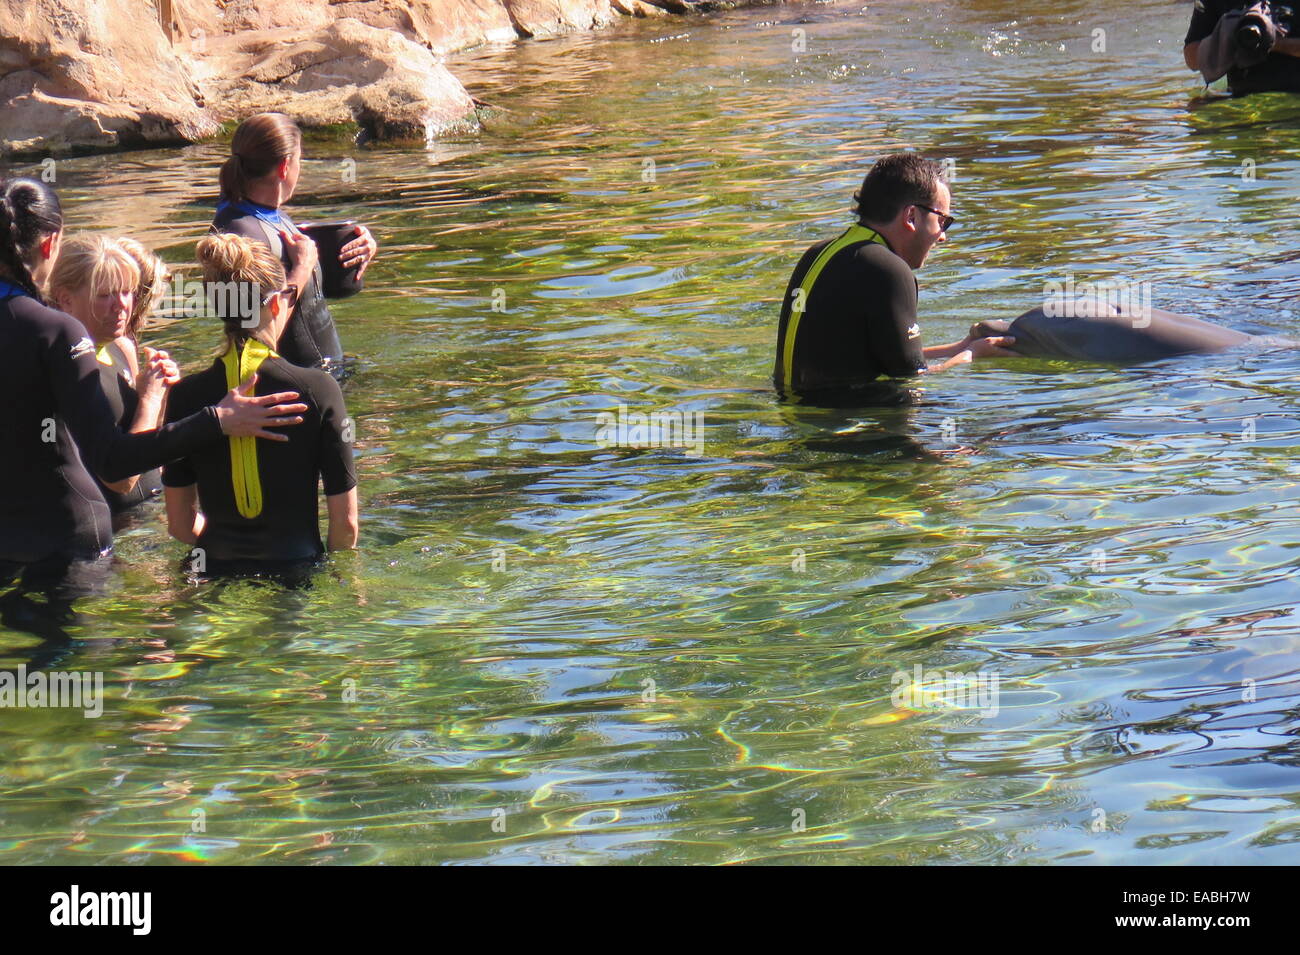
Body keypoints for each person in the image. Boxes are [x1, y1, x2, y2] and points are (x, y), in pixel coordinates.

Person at [0, 177, 308, 639]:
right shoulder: (57, 331)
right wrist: (217, 420)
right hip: (67, 540)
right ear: (51, 244)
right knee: (91, 678)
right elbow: (113, 460)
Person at [162, 232, 359, 581]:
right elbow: (346, 527)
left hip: (210, 571)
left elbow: (179, 526)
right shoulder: (318, 389)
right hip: (295, 572)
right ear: (274, 304)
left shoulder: (184, 395)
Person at [773, 154, 1014, 407]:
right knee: (989, 433)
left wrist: (959, 347)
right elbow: (913, 382)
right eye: (942, 221)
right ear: (911, 216)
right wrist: (972, 356)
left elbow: (885, 362)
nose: (942, 236)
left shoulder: (819, 253)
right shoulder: (889, 270)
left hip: (798, 413)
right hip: (850, 432)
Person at [212, 112, 377, 378]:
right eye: (300, 160)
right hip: (293, 391)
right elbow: (254, 337)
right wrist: (302, 268)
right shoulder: (240, 235)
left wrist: (356, 250)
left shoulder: (268, 215)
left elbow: (308, 295)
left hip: (322, 377)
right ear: (284, 166)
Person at [47, 235, 174, 516]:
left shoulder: (122, 346)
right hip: (117, 528)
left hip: (156, 508)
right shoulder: (68, 367)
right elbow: (121, 478)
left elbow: (147, 435)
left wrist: (160, 391)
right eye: (105, 295)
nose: (121, 305)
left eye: (127, 291)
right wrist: (150, 400)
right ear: (66, 299)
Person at [1184, 1, 1300, 94]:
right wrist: (1225, 37)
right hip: (1241, 98)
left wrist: (1275, 43)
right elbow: (1191, 59)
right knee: (1196, 106)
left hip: (1293, 94)